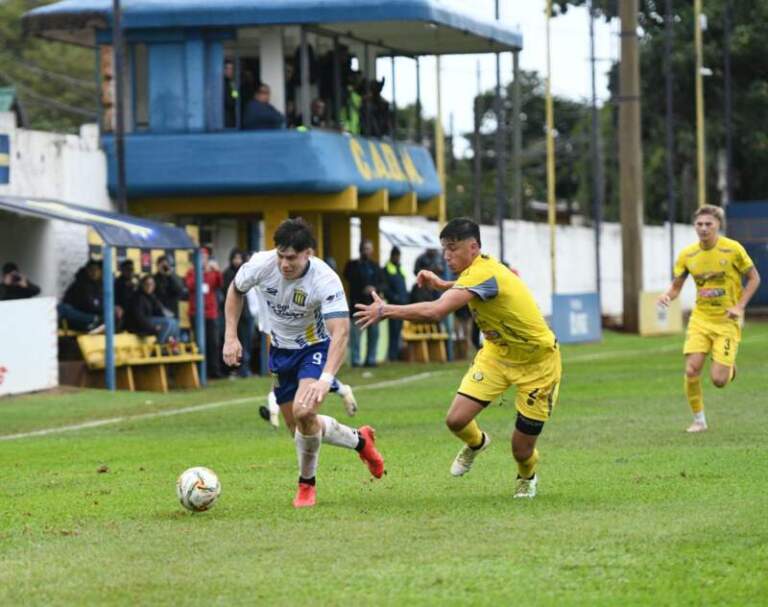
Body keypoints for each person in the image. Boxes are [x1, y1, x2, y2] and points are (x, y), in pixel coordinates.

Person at [355, 218, 561, 499]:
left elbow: (435, 313)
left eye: (453, 249)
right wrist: (443, 284)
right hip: (497, 356)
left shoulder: (483, 271)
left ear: (473, 247)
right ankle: (477, 443)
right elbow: (471, 286)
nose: (446, 255)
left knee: (521, 449)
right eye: (444, 249)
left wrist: (386, 310)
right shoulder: (480, 270)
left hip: (537, 364)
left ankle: (527, 476)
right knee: (455, 420)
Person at [222, 218, 383, 508]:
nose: (284, 264)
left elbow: (341, 331)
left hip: (314, 348)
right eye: (281, 255)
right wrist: (230, 336)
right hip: (280, 351)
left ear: (308, 253)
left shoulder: (325, 278)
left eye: (292, 258)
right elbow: (235, 290)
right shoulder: (262, 264)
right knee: (300, 426)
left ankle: (306, 486)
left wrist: (326, 377)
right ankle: (361, 441)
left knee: (304, 411)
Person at [657, 205, 761, 433]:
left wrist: (739, 306)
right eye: (699, 224)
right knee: (692, 369)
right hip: (700, 319)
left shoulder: (733, 250)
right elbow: (676, 287)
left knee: (719, 380)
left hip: (727, 320)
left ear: (718, 226)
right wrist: (667, 296)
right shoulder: (687, 255)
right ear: (695, 226)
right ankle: (699, 420)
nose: (703, 228)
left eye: (708, 224)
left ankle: (729, 367)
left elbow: (754, 278)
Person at [344, 239, 384, 367]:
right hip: (357, 304)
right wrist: (363, 287)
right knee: (355, 336)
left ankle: (371, 359)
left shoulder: (375, 266)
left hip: (372, 306)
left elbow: (382, 283)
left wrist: (374, 289)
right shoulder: (352, 265)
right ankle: (355, 360)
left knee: (374, 335)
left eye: (369, 249)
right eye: (365, 248)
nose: (367, 251)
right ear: (360, 250)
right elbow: (348, 277)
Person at [185, 247, 224, 380]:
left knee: (213, 342)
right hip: (196, 313)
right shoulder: (191, 272)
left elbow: (220, 284)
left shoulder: (212, 272)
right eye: (200, 257)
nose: (203, 260)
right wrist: (200, 273)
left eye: (205, 257)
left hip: (211, 313)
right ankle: (201, 372)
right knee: (199, 343)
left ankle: (214, 371)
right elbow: (190, 286)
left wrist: (217, 270)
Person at [222, 248, 253, 378]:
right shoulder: (228, 274)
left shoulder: (248, 273)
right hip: (234, 317)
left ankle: (245, 369)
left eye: (239, 258)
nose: (237, 261)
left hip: (246, 314)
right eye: (235, 258)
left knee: (246, 343)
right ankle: (234, 369)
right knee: (233, 343)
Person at [125, 275, 180, 344]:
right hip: (138, 325)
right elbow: (139, 317)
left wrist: (168, 314)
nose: (149, 286)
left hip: (149, 321)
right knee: (167, 323)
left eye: (152, 284)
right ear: (142, 285)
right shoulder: (138, 297)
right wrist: (153, 328)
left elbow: (159, 310)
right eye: (147, 284)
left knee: (174, 322)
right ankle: (159, 345)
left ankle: (173, 345)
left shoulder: (151, 296)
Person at [58, 259, 107, 332]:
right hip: (80, 317)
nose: (94, 272)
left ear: (101, 272)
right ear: (87, 270)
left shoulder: (105, 286)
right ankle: (93, 321)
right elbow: (83, 304)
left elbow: (97, 306)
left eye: (96, 270)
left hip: (98, 318)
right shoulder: (79, 284)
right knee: (61, 308)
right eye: (91, 270)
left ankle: (95, 322)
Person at [383, 246, 408, 361]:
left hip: (402, 305)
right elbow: (385, 288)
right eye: (396, 256)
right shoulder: (387, 269)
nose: (398, 258)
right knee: (393, 331)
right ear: (392, 256)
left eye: (399, 256)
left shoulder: (400, 268)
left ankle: (397, 354)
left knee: (398, 331)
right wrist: (395, 297)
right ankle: (392, 356)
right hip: (393, 305)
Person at [153, 255, 186, 319]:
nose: (164, 267)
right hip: (157, 313)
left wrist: (170, 275)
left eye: (166, 265)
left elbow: (180, 289)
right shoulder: (153, 279)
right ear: (157, 265)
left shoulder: (175, 277)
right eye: (161, 265)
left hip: (172, 312)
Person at [223, 60, 238, 128]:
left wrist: (234, 89)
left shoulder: (232, 82)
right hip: (224, 115)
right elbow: (230, 101)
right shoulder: (220, 82)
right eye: (227, 68)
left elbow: (235, 98)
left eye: (231, 69)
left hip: (231, 114)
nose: (229, 71)